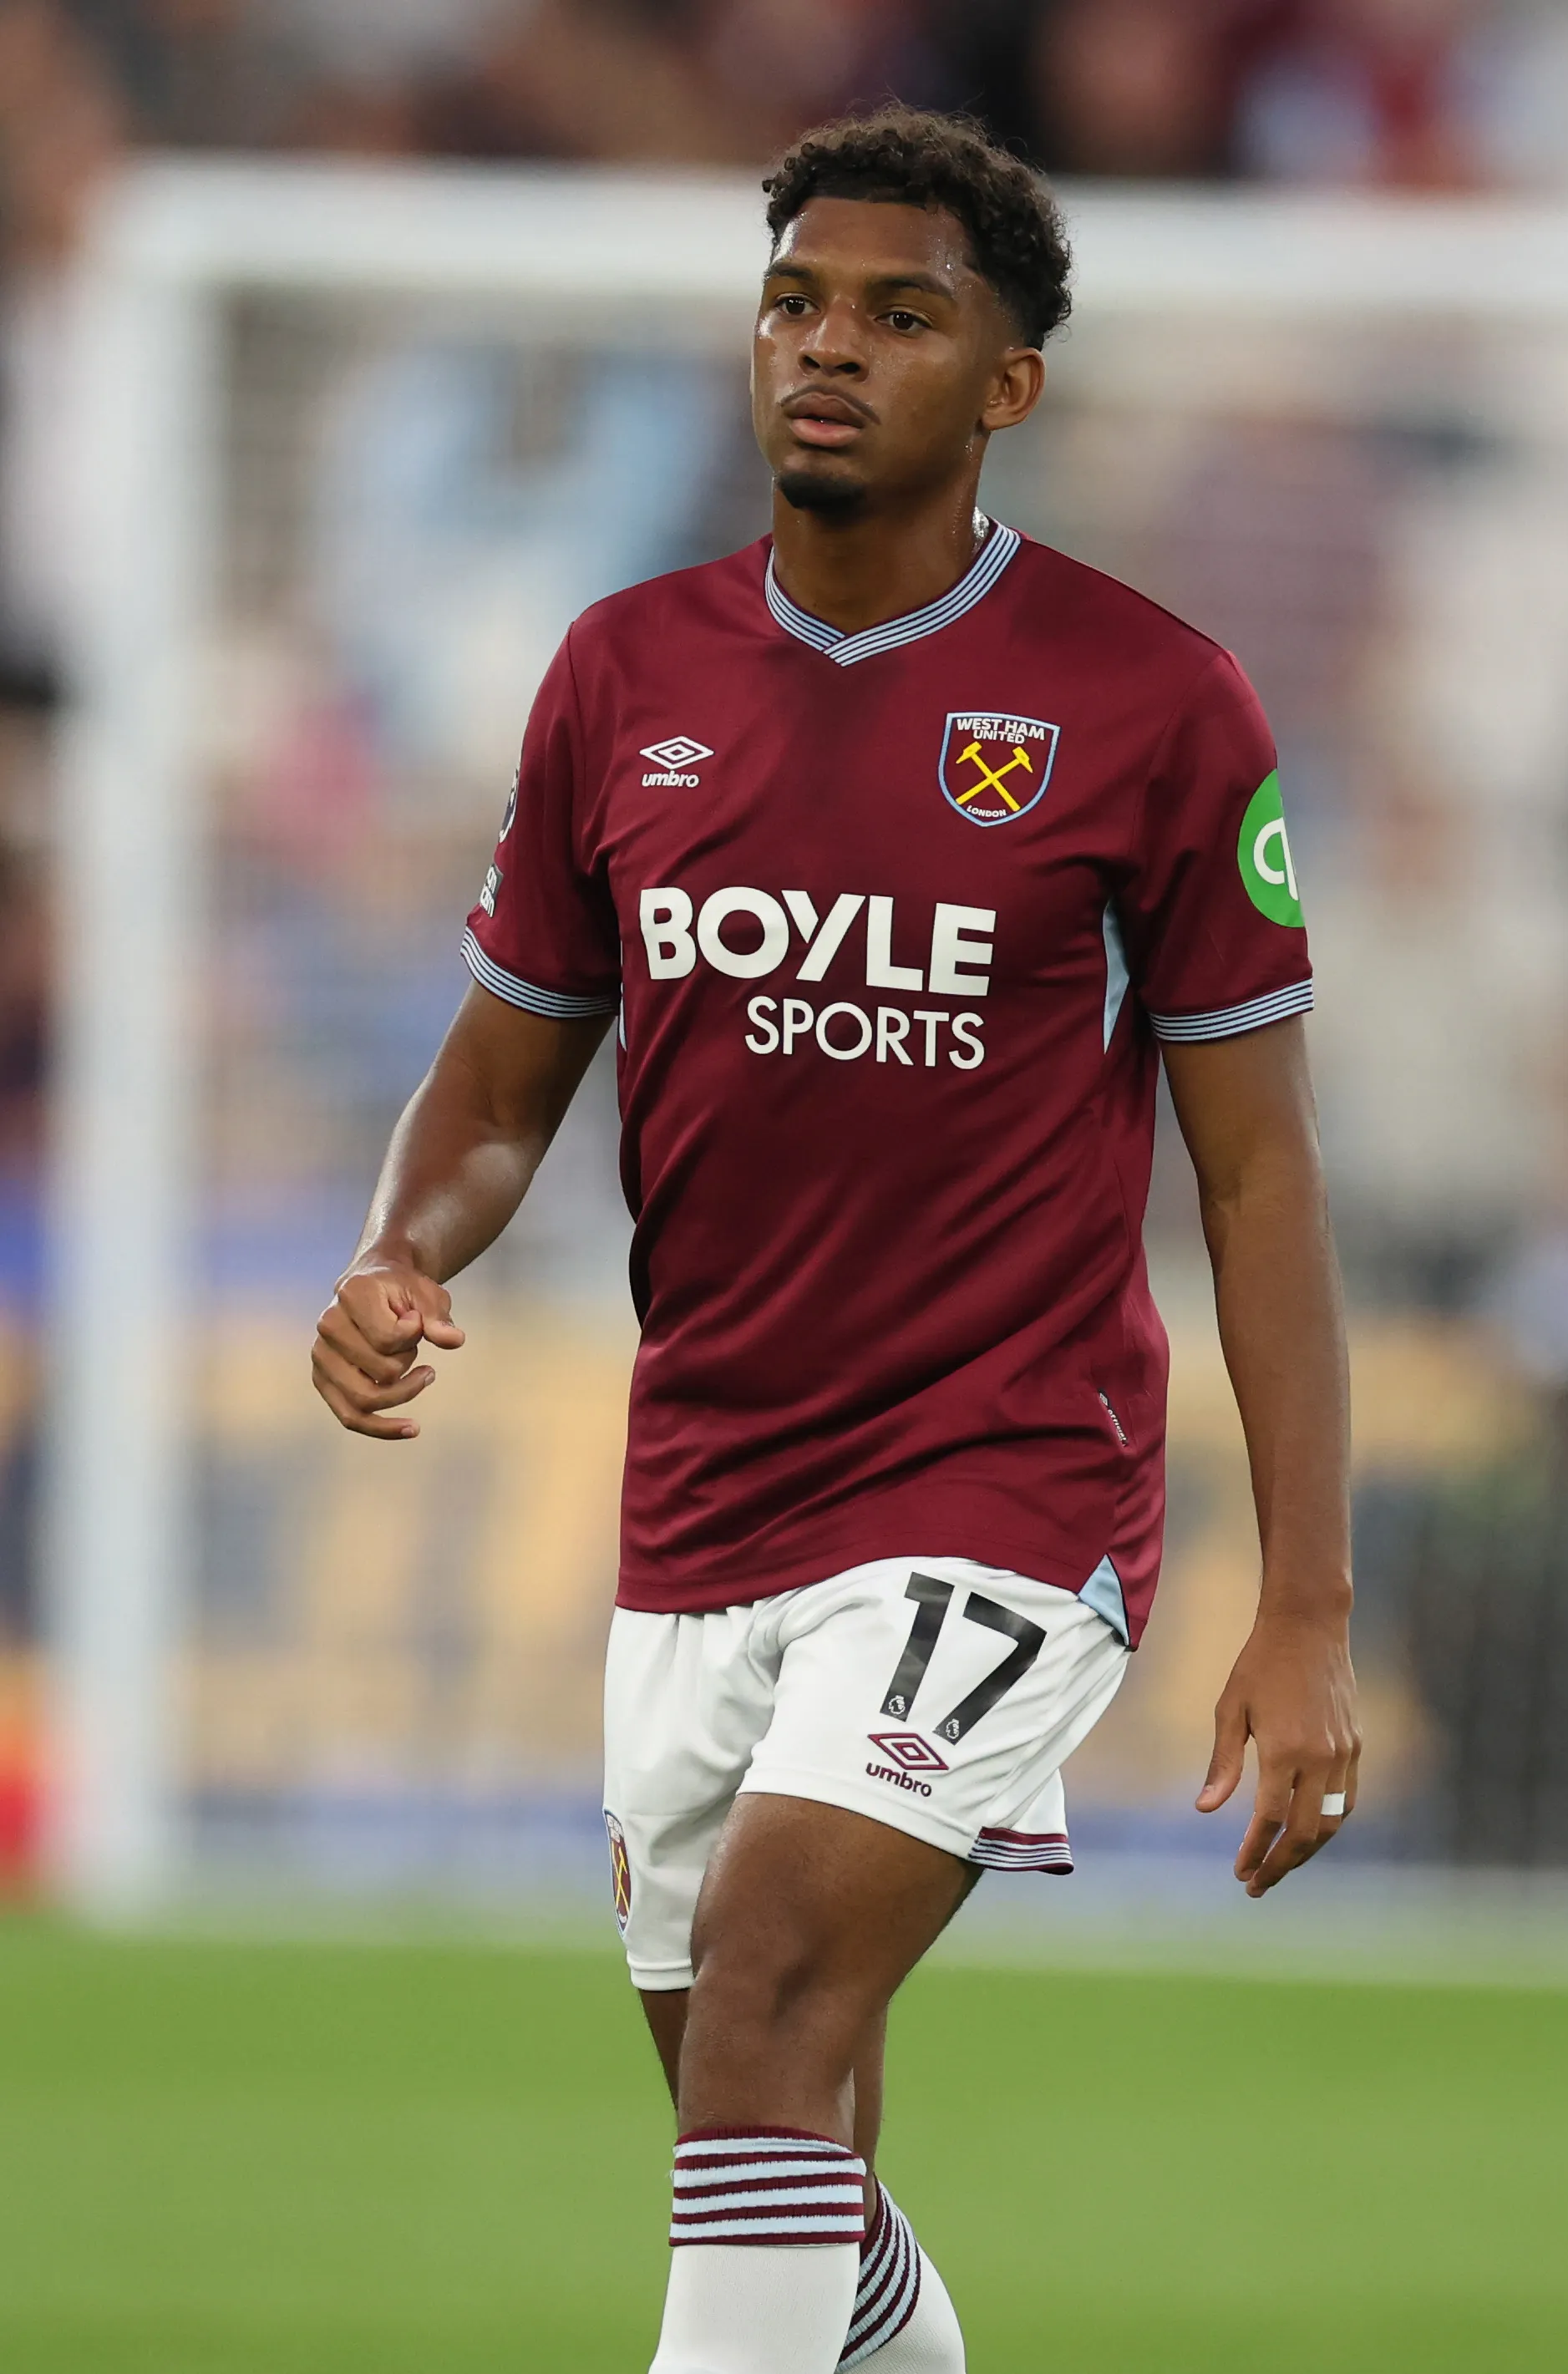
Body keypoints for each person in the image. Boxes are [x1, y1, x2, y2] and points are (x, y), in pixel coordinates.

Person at [312, 107, 1360, 2374]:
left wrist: (1306, 1603)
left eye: (901, 316)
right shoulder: (622, 675)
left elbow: (1260, 1172)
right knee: (767, 2135)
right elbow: (504, 1085)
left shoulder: (1153, 706)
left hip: (1004, 1483)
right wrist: (409, 1252)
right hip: (707, 1497)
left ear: (1008, 389)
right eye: (795, 301)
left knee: (780, 1981)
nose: (826, 350)